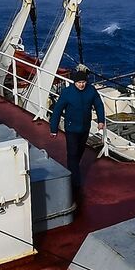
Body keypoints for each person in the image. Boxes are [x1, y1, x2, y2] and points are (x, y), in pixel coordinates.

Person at [49, 65, 106, 198]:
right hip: (71, 129)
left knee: (79, 151)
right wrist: (53, 129)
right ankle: (75, 181)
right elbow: (57, 110)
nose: (81, 85)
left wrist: (101, 120)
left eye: (83, 82)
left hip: (84, 128)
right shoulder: (67, 93)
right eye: (79, 83)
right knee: (73, 153)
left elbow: (98, 104)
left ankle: (73, 170)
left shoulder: (91, 91)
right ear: (74, 82)